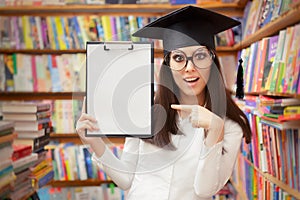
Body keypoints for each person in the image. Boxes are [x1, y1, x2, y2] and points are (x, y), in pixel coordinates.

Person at [76, 5, 252, 200]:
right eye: (178, 58)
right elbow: (126, 179)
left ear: (212, 61)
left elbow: (204, 190)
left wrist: (215, 130)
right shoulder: (146, 109)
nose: (189, 68)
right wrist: (94, 142)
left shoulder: (229, 126)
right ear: (168, 64)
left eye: (200, 56)